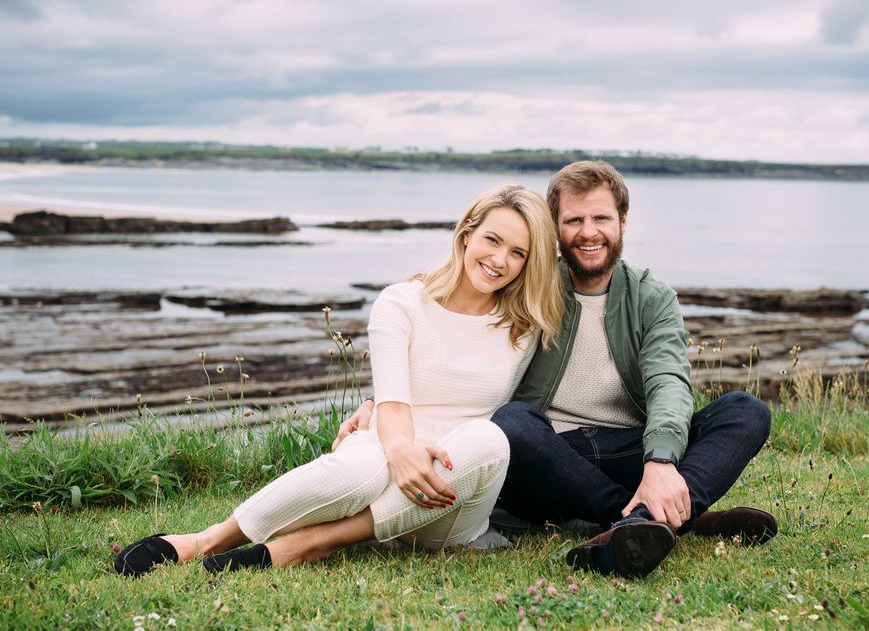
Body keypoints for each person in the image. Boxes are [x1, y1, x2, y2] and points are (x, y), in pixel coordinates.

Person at [114, 184, 563, 576]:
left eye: (518, 253)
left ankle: (313, 542)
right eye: (493, 240)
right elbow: (392, 403)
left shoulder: (525, 325)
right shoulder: (400, 303)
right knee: (361, 466)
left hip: (453, 497)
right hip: (394, 444)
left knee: (490, 439)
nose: (500, 260)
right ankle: (209, 539)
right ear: (466, 234)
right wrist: (401, 451)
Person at [489, 160, 777, 578]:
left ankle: (639, 519)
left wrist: (660, 461)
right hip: (550, 459)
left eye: (601, 217)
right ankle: (667, 519)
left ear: (623, 221)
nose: (589, 232)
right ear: (554, 228)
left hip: (632, 450)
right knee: (511, 423)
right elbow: (455, 325)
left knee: (745, 410)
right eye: (574, 220)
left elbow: (669, 380)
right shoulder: (529, 285)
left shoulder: (652, 298)